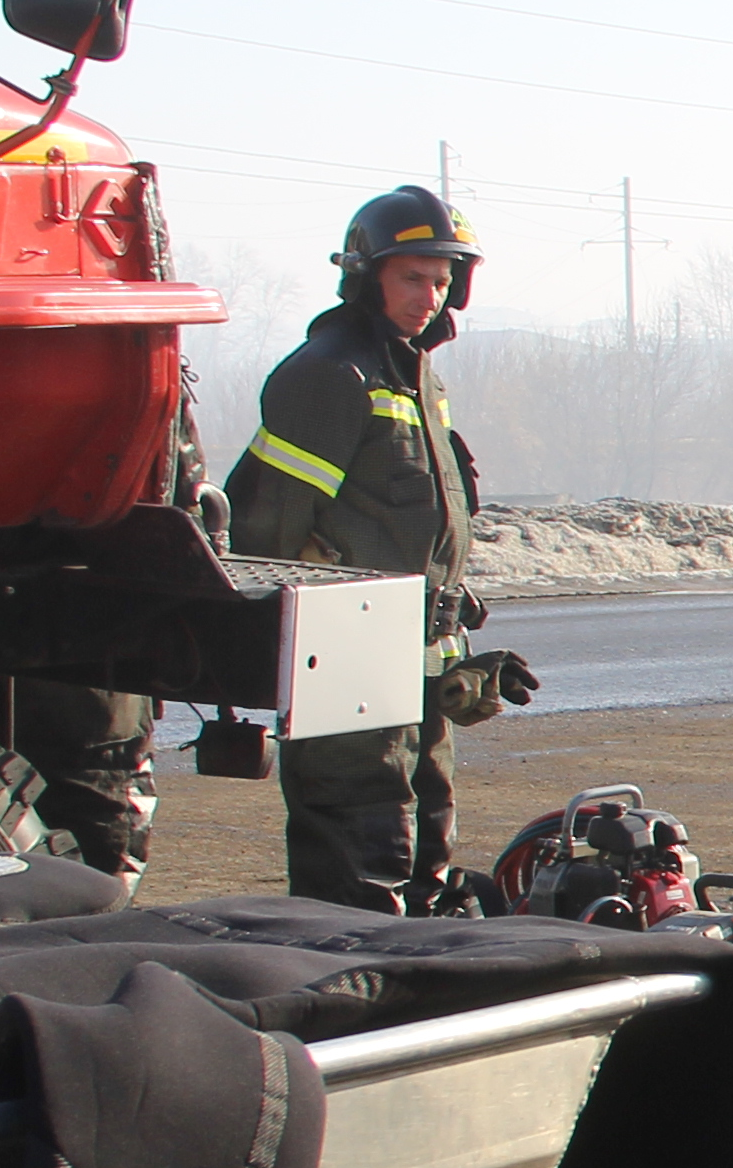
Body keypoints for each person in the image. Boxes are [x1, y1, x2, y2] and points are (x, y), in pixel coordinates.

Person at [222, 187, 538, 908]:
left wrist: (449, 630)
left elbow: (416, 526)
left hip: (415, 654)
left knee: (426, 842)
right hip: (348, 653)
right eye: (413, 278)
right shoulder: (330, 375)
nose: (431, 296)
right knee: (362, 854)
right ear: (368, 275)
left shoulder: (414, 371)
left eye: (442, 279)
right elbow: (265, 531)